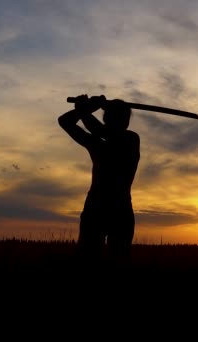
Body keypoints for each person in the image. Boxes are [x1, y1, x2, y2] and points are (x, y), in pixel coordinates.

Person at [58, 94, 140, 263]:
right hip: (103, 206)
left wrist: (84, 110)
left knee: (117, 260)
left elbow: (101, 131)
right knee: (89, 259)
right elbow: (64, 121)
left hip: (113, 207)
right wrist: (86, 109)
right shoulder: (98, 142)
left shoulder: (130, 139)